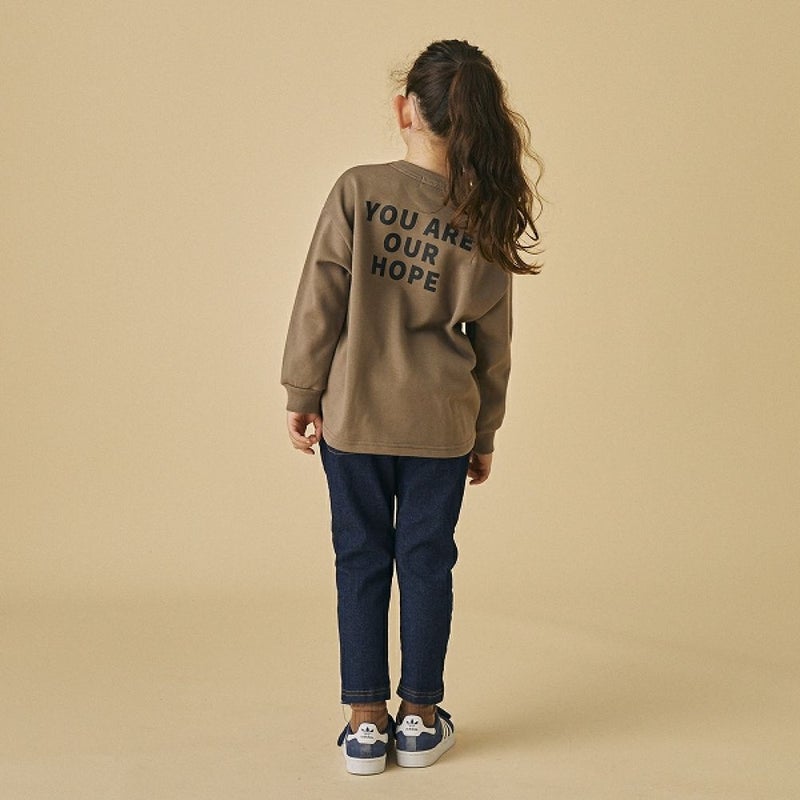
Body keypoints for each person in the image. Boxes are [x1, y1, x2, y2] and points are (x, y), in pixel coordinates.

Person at [281, 39, 544, 775]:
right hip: (442, 424)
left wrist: (303, 391)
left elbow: (320, 298)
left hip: (355, 415)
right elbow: (494, 345)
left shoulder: (357, 189)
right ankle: (422, 718)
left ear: (406, 110)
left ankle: (366, 724)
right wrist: (484, 431)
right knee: (427, 563)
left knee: (360, 559)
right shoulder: (484, 214)